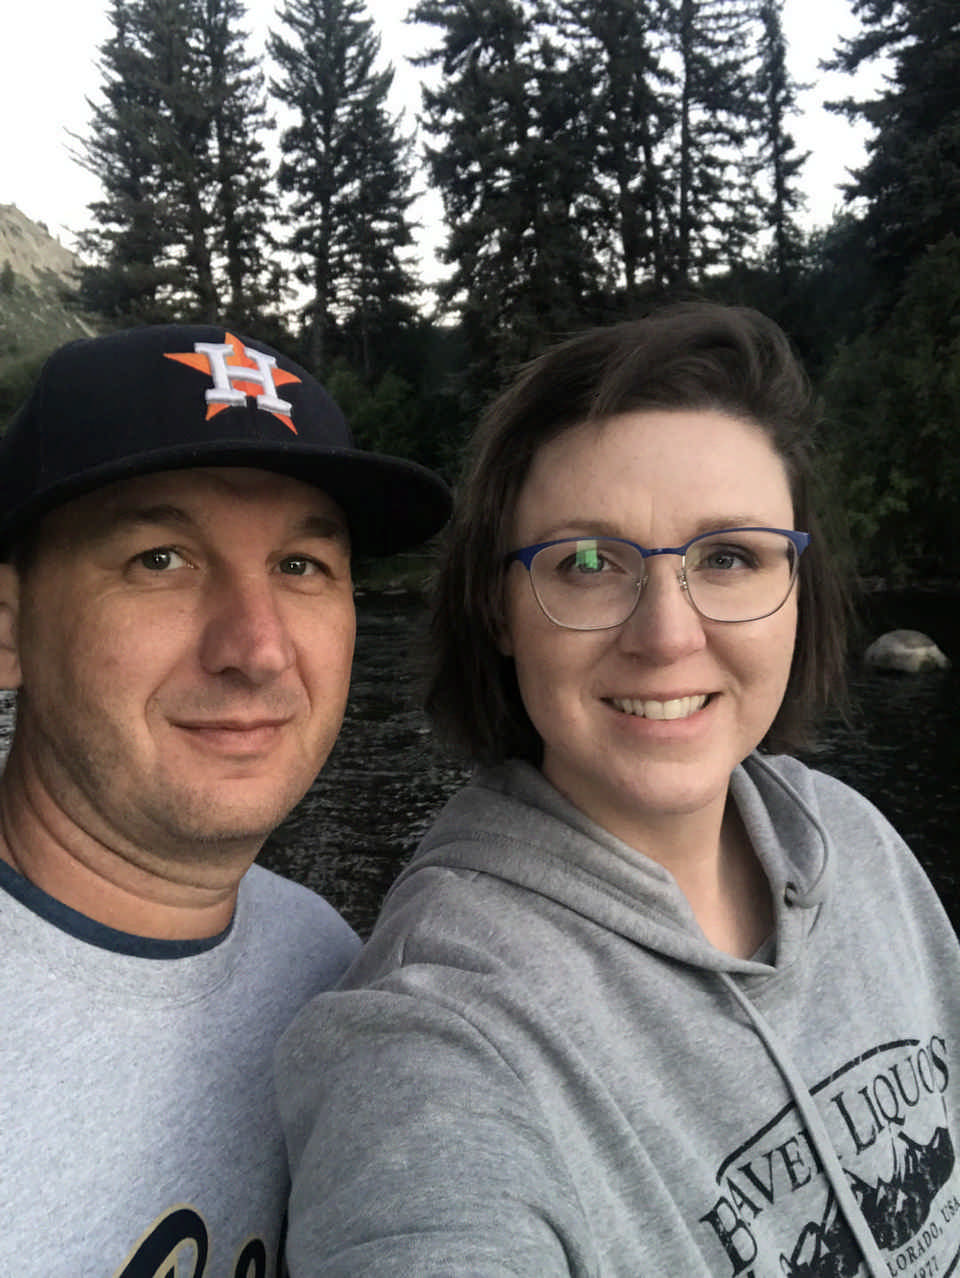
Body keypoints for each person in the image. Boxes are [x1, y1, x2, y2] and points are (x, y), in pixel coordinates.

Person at [277, 303, 960, 1278]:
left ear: (798, 590)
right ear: (500, 609)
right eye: (588, 563)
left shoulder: (857, 840)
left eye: (730, 557)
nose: (667, 636)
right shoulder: (442, 1033)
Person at [0, 324, 450, 1277]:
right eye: (161, 559)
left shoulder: (327, 962)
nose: (258, 648)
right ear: (8, 627)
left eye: (301, 566)